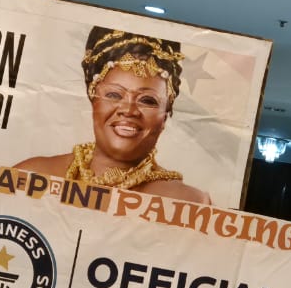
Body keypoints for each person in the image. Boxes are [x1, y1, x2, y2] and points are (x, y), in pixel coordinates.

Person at [15, 27, 210, 203]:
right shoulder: (30, 176)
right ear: (94, 100)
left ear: (165, 116)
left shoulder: (189, 203)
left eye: (147, 100)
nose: (129, 110)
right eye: (114, 95)